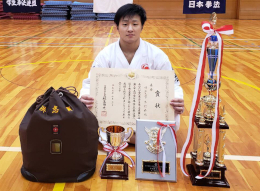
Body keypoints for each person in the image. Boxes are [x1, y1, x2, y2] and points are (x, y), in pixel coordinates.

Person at [80, 4, 184, 143]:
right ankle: (137, 138)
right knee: (88, 117)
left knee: (173, 117)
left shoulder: (157, 55)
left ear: (142, 26)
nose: (130, 29)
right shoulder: (105, 55)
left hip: (145, 109)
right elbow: (90, 84)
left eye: (135, 24)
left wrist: (177, 99)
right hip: (115, 110)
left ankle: (120, 138)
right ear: (117, 27)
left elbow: (173, 85)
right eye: (124, 24)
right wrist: (85, 97)